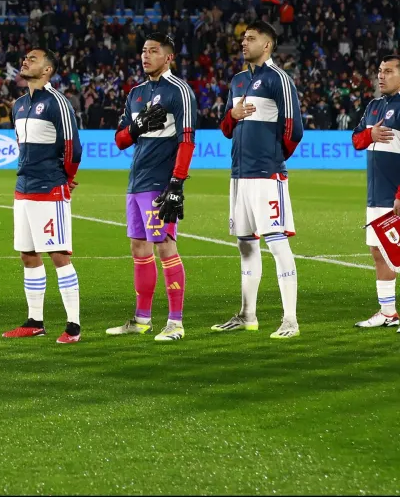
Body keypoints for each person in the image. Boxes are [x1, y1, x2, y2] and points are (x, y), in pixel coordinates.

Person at [214, 22, 304, 339]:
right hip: (239, 175)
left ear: (267, 45)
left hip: (266, 175)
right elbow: (226, 128)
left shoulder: (279, 79)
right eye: (242, 37)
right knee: (246, 245)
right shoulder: (238, 81)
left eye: (251, 38)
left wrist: (272, 160)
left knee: (277, 243)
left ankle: (290, 319)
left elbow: (294, 130)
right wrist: (233, 116)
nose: (244, 42)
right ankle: (247, 315)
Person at [107, 33, 197, 341]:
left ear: (169, 57)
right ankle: (141, 319)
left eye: (153, 51)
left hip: (160, 182)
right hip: (136, 181)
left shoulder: (180, 91)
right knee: (138, 247)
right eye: (144, 51)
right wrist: (136, 127)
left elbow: (187, 140)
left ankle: (175, 322)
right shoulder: (136, 93)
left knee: (164, 246)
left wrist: (176, 184)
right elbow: (120, 140)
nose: (146, 56)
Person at [2, 48, 84, 344]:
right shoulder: (19, 105)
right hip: (23, 189)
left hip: (49, 189)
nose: (25, 61)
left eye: (32, 59)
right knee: (28, 254)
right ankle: (35, 321)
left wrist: (66, 179)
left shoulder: (57, 103)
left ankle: (73, 325)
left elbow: (73, 147)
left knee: (58, 255)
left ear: (48, 69)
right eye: (25, 58)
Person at [350, 54, 400, 328]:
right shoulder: (373, 106)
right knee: (379, 251)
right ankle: (388, 312)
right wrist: (370, 135)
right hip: (376, 195)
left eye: (389, 71)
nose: (382, 75)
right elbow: (356, 140)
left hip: (395, 196)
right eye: (380, 71)